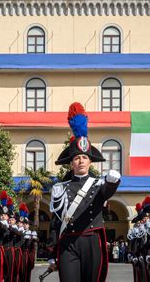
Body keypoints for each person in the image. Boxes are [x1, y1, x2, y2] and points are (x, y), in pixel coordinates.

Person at [48, 102, 120, 282]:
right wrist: (51, 252)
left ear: (90, 162)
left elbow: (107, 192)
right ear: (71, 163)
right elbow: (55, 223)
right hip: (68, 243)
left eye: (84, 158)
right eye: (77, 158)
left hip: (91, 240)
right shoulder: (60, 188)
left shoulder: (98, 184)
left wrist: (112, 183)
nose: (80, 161)